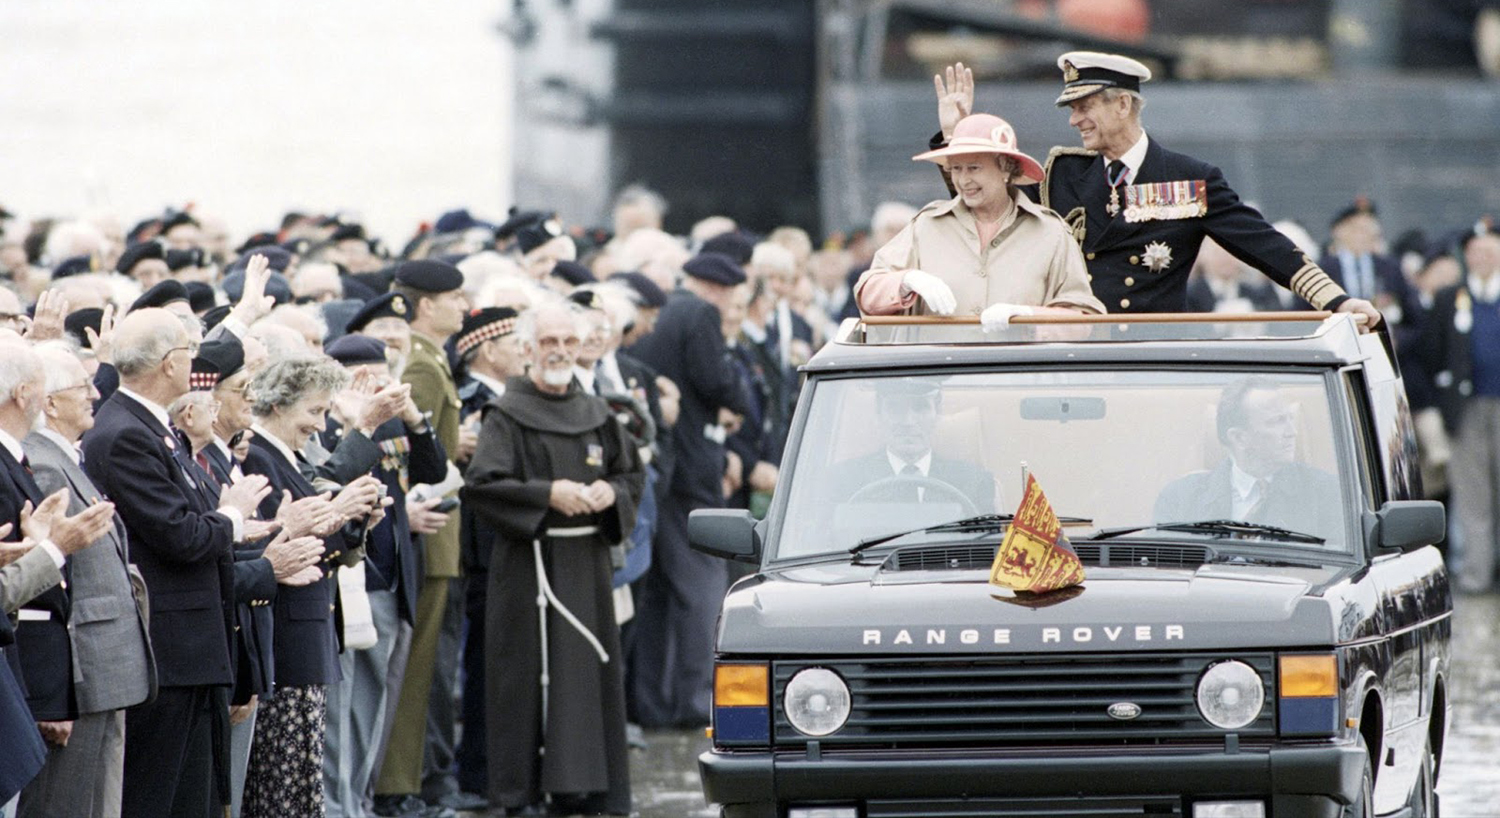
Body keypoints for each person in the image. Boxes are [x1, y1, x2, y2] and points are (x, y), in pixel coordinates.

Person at [928, 57, 1382, 322]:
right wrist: (954, 138)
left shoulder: (1189, 179)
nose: (1073, 120)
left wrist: (1337, 302)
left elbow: (1265, 246)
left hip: (1146, 357)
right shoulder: (1065, 173)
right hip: (1068, 352)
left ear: (1123, 104)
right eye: (1071, 109)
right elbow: (987, 202)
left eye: (1084, 106)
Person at [80, 308, 269, 818]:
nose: (195, 362)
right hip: (169, 646)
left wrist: (228, 522)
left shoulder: (150, 428)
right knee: (158, 795)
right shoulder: (125, 433)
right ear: (168, 364)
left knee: (196, 796)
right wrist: (232, 514)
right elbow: (179, 535)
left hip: (191, 646)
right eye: (189, 351)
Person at [462, 299, 643, 817]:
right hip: (529, 564)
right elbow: (484, 486)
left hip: (586, 562)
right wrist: (547, 495)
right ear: (526, 350)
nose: (559, 351)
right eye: (548, 342)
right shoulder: (505, 415)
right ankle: (521, 794)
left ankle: (589, 788)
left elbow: (630, 474)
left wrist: (612, 493)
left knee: (587, 673)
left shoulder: (598, 412)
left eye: (568, 341)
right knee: (527, 675)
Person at [239, 356, 388, 818]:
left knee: (300, 785)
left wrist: (352, 521)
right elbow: (274, 540)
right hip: (284, 636)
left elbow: (320, 531)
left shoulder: (286, 454)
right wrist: (340, 511)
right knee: (278, 787)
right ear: (279, 404)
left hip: (306, 632)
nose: (320, 425)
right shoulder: (259, 454)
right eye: (313, 412)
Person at [17, 344, 152, 818]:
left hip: (103, 666)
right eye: (82, 386)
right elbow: (46, 589)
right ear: (49, 403)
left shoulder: (64, 457)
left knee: (98, 802)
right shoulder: (46, 464)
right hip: (81, 671)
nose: (95, 394)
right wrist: (53, 689)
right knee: (67, 803)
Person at [321, 336, 450, 818]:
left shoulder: (393, 420)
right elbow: (329, 476)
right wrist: (354, 417)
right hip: (356, 579)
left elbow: (431, 470)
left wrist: (415, 417)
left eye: (383, 374)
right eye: (364, 376)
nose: (377, 386)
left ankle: (360, 801)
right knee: (342, 710)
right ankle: (341, 807)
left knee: (372, 709)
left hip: (394, 579)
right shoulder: (334, 423)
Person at [627, 252, 753, 728]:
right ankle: (698, 700)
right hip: (691, 469)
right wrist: (737, 400)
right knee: (702, 585)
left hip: (657, 466)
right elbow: (714, 378)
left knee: (657, 591)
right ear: (718, 289)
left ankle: (652, 703)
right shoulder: (698, 313)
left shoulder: (662, 312)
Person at [857, 112, 1105, 327]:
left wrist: (1030, 318)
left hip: (1019, 376)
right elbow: (867, 293)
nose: (963, 180)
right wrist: (906, 281)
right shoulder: (927, 226)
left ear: (1006, 169)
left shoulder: (1051, 232)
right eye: (956, 168)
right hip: (938, 378)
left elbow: (1084, 320)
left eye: (974, 168)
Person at [378, 260, 471, 818]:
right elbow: (410, 455)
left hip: (439, 530)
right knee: (414, 674)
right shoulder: (422, 366)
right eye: (455, 298)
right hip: (428, 529)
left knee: (424, 669)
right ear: (428, 305)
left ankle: (404, 780)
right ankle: (396, 785)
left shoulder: (434, 360)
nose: (465, 306)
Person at [450, 306, 525, 799]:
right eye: (515, 342)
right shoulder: (472, 401)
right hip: (482, 546)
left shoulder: (508, 397)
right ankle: (478, 772)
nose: (524, 350)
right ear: (488, 349)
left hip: (503, 542)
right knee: (484, 665)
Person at [1153, 377, 1341, 542]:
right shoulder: (1180, 499)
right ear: (1239, 438)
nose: (1292, 432)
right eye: (1276, 421)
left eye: (1290, 418)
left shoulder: (1326, 494)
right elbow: (1165, 569)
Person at [1418, 231, 1500, 591]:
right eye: (1475, 252)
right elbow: (1431, 350)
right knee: (1472, 495)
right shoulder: (1452, 297)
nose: (1481, 257)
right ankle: (1477, 575)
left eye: (1489, 251)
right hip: (1466, 409)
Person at [824, 379, 997, 513]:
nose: (908, 421)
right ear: (879, 415)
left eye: (920, 407)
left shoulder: (973, 483)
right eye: (895, 408)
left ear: (937, 414)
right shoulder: (843, 482)